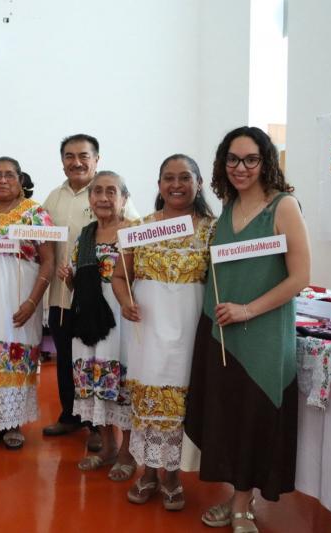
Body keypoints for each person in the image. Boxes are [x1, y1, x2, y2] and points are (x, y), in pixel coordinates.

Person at [185, 127, 310, 533]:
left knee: (256, 415)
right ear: (223, 163)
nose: (241, 168)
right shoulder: (226, 207)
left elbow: (300, 277)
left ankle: (242, 503)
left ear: (266, 161)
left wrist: (247, 310)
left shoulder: (284, 207)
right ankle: (234, 495)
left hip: (263, 333)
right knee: (228, 416)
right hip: (221, 329)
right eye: (233, 159)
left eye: (250, 159)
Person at [112, 154, 215, 510]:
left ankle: (173, 475)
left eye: (184, 177)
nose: (176, 185)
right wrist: (125, 301)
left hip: (190, 332)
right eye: (168, 178)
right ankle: (149, 472)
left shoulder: (212, 230)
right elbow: (118, 276)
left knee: (181, 401)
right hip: (148, 332)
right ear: (158, 185)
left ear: (198, 183)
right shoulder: (140, 228)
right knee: (149, 399)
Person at [42, 134, 139, 452]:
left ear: (96, 160)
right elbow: (40, 239)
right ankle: (72, 415)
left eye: (84, 155)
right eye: (69, 156)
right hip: (64, 294)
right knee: (72, 360)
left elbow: (138, 236)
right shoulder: (52, 199)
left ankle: (100, 430)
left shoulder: (110, 193)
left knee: (108, 361)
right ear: (62, 161)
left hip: (112, 302)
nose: (76, 161)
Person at [0, 157, 54, 449]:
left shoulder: (34, 213)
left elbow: (48, 262)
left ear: (20, 180)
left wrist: (32, 302)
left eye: (9, 175)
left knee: (14, 355)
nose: (2, 180)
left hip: (17, 298)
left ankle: (13, 421)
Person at [58, 171, 135, 478]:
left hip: (122, 317)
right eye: (97, 191)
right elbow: (84, 281)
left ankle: (127, 453)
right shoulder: (86, 235)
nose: (103, 197)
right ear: (90, 199)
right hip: (88, 319)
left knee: (122, 384)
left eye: (111, 191)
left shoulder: (133, 232)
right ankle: (107, 447)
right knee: (92, 379)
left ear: (124, 198)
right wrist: (71, 278)